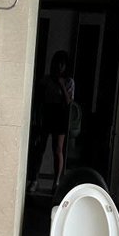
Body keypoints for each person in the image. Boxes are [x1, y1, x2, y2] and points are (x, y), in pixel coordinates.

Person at [28, 50, 75, 193]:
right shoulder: (46, 80)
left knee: (58, 149)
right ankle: (34, 180)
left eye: (62, 64)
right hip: (47, 114)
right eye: (57, 63)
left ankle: (57, 181)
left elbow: (69, 102)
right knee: (39, 148)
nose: (60, 66)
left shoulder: (69, 82)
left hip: (60, 116)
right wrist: (37, 118)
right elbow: (38, 100)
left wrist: (61, 85)